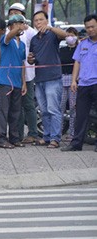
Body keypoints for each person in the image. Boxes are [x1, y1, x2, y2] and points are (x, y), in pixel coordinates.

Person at [28, 10, 67, 148]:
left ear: (46, 20)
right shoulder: (34, 39)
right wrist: (30, 59)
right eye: (36, 20)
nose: (38, 23)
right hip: (39, 79)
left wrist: (51, 28)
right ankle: (47, 136)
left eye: (41, 20)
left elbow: (66, 36)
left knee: (53, 109)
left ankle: (56, 138)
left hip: (53, 78)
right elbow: (32, 60)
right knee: (43, 110)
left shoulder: (52, 34)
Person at [61, 14, 97, 152]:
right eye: (87, 27)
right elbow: (77, 62)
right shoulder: (82, 44)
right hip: (83, 84)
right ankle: (76, 143)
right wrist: (74, 80)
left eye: (92, 26)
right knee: (80, 115)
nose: (90, 30)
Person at [7, 3, 38, 144]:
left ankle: (33, 133)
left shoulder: (30, 31)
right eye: (11, 12)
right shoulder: (8, 31)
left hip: (28, 74)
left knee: (28, 104)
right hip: (13, 75)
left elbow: (36, 49)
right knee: (15, 107)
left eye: (17, 12)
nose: (13, 14)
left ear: (23, 16)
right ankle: (17, 135)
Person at [0, 15, 27, 149]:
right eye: (17, 24)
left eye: (22, 23)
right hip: (5, 80)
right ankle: (1, 138)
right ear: (10, 26)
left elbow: (22, 64)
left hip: (17, 82)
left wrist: (24, 82)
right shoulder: (5, 39)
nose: (20, 26)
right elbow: (9, 36)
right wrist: (16, 29)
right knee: (3, 110)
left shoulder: (23, 44)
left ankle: (14, 137)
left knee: (16, 111)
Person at [59, 27, 79, 141]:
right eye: (68, 35)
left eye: (72, 35)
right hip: (62, 78)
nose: (70, 37)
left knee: (73, 107)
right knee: (60, 106)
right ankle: (59, 132)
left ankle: (72, 133)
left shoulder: (79, 49)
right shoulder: (62, 50)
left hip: (74, 80)